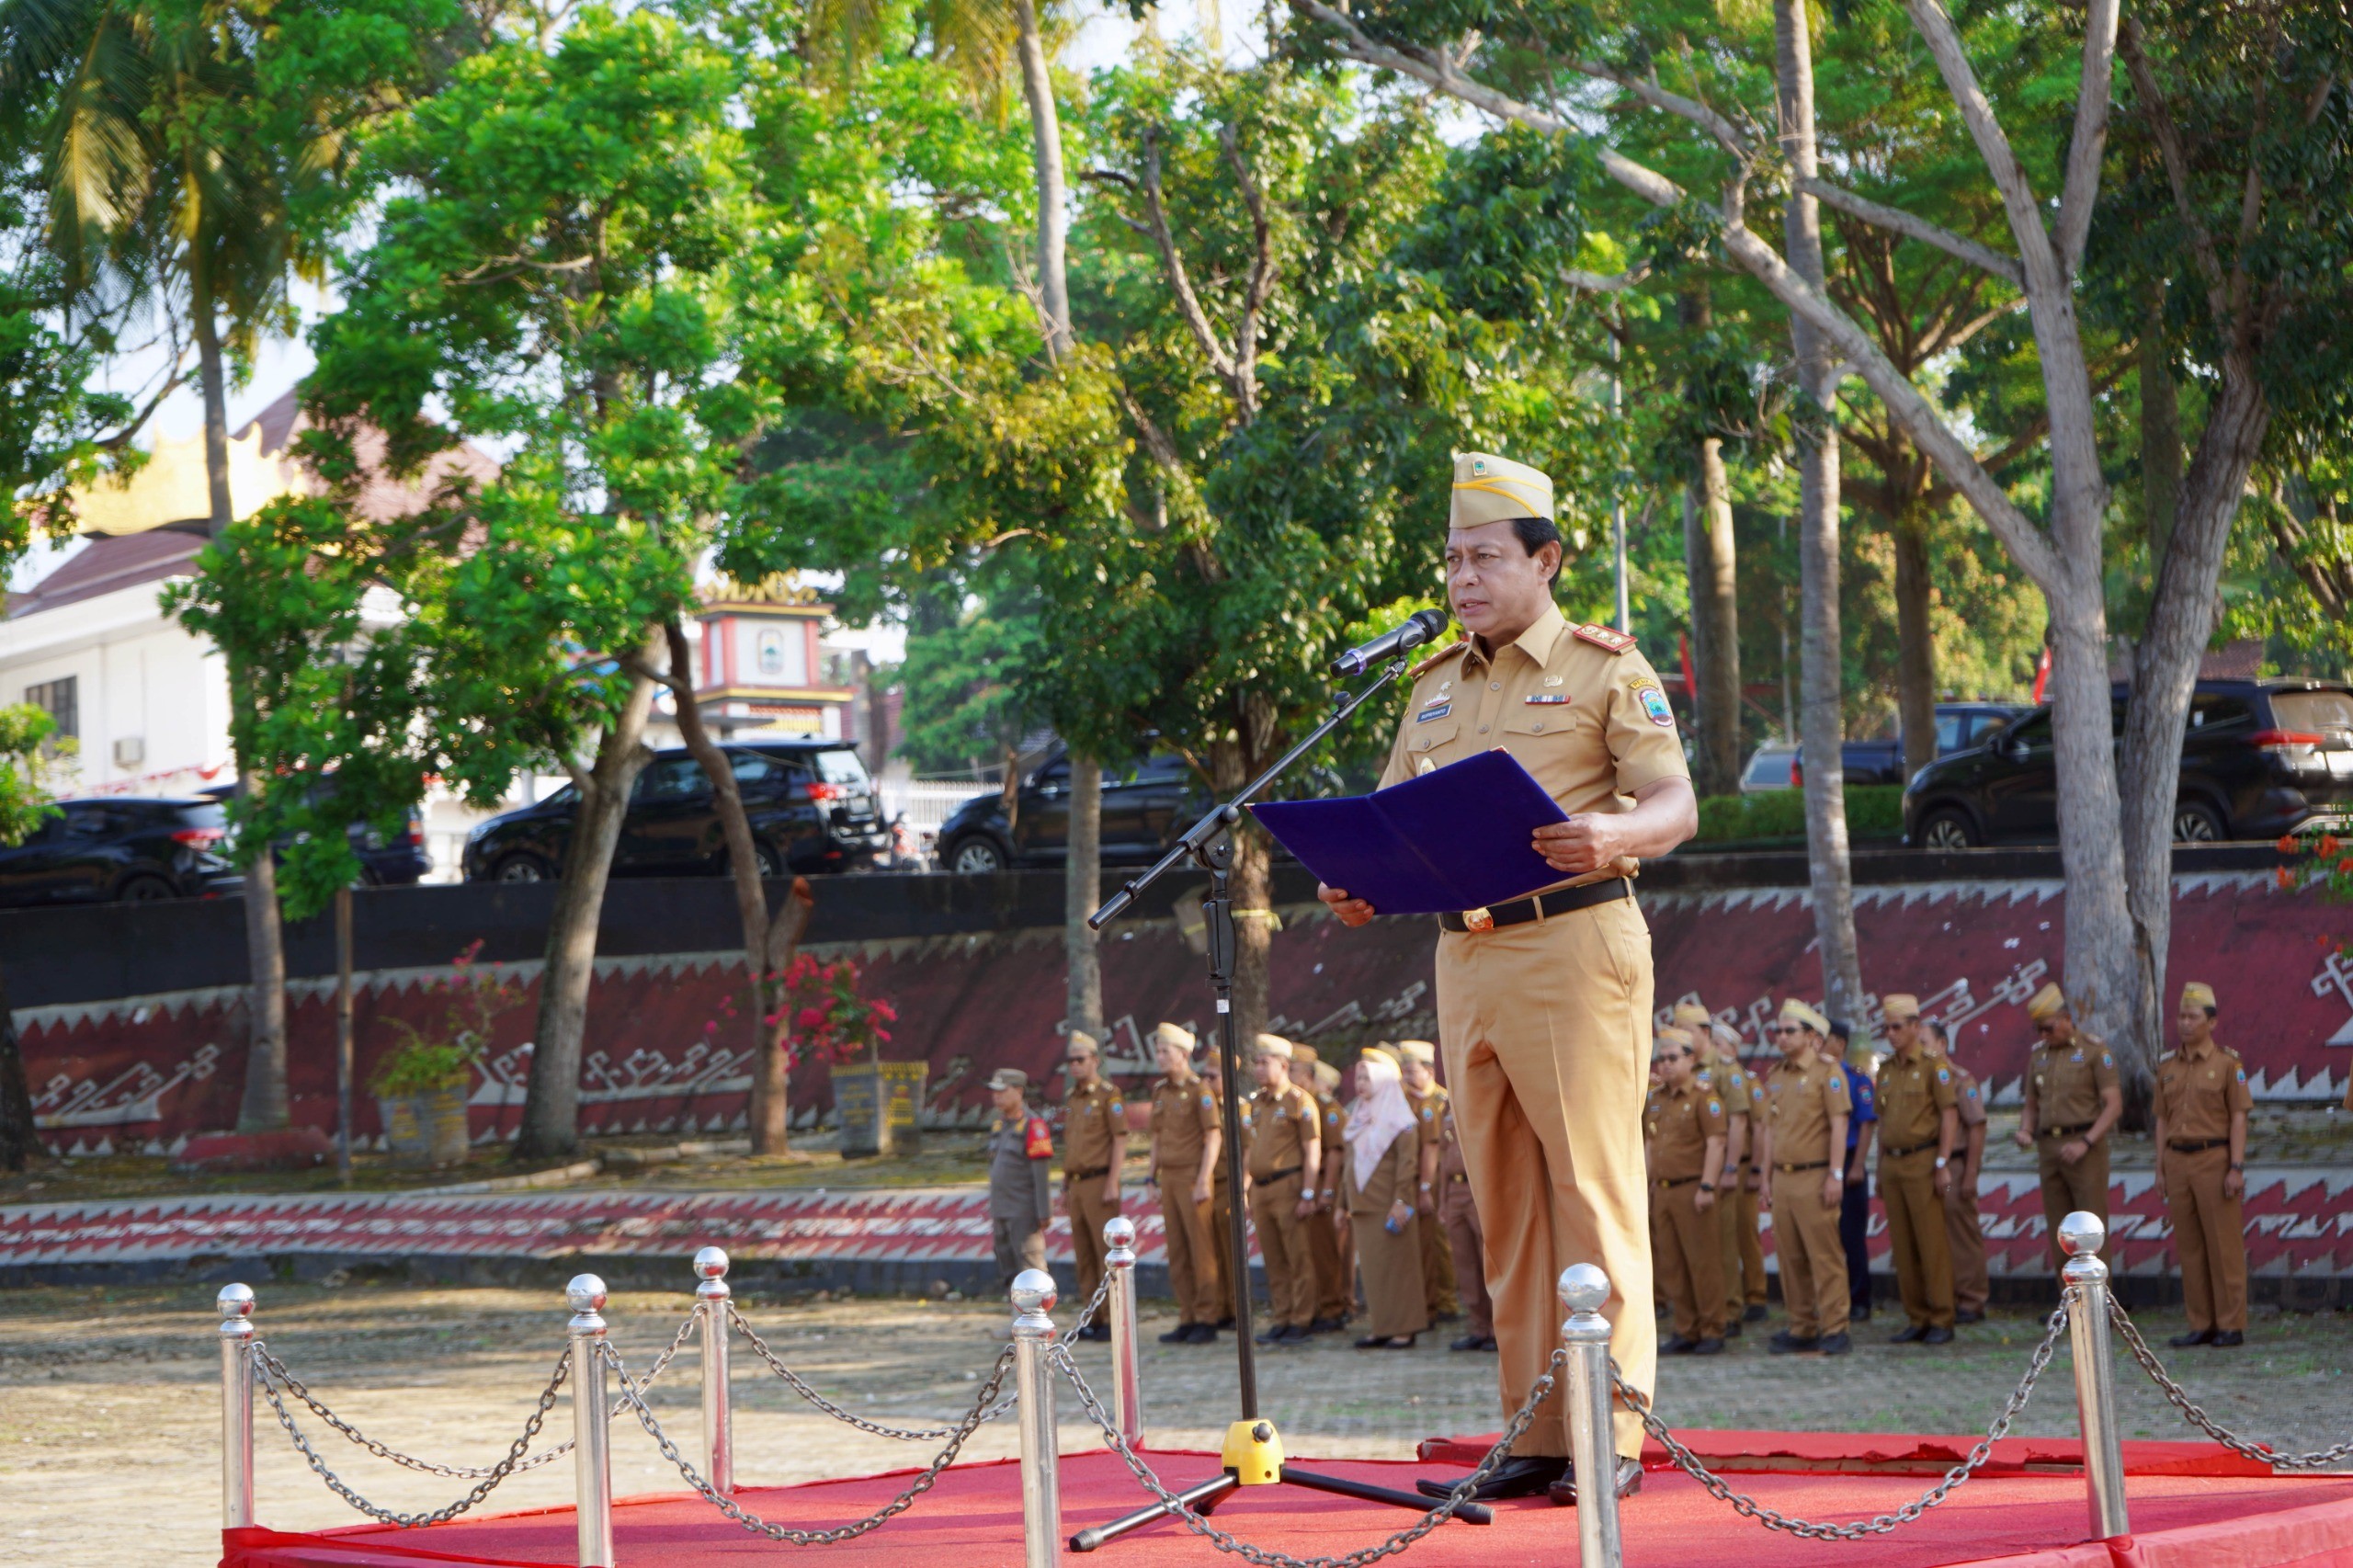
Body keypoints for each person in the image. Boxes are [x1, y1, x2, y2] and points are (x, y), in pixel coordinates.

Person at [1321, 451, 1698, 1507]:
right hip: (1465, 953)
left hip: (1574, 944)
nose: (1461, 578)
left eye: (1485, 556)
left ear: (1546, 560)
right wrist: (1360, 879)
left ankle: (1607, 1427)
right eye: (1451, 559)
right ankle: (1535, 1427)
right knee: (1504, 1199)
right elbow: (1391, 815)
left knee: (1591, 1186)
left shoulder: (1603, 668)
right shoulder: (1432, 685)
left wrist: (1615, 831)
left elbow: (1675, 802)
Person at [2154, 982, 2252, 1348]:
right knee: (2190, 1247)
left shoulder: (2228, 1064)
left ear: (2212, 1022)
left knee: (2223, 1246)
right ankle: (2201, 1322)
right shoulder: (2167, 1066)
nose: (2184, 1023)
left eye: (2193, 1017)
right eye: (2181, 1016)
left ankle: (2230, 1324)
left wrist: (2236, 1166)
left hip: (2215, 1159)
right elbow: (2161, 1120)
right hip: (2177, 1160)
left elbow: (2239, 1118)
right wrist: (2160, 1167)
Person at [1756, 1000, 1853, 1356]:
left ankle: (1835, 1327)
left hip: (1815, 1176)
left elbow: (1839, 1126)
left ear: (1812, 1037)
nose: (1781, 1037)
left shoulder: (1828, 1073)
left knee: (1824, 1256)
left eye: (1789, 1031)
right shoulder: (1776, 1076)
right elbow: (1770, 1131)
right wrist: (1765, 1178)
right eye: (1778, 1031)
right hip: (1783, 1178)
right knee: (1790, 1256)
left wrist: (1835, 1174)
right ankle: (1801, 1326)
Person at [2016, 983, 2121, 1271]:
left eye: (2048, 1028)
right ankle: (2067, 1303)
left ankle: (2099, 1304)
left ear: (2066, 1020)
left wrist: (2086, 1142)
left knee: (2089, 1228)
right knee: (2060, 1228)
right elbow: (2031, 1105)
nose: (2044, 1035)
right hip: (2049, 1148)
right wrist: (2026, 1130)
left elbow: (2113, 1105)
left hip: (2085, 1146)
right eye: (2039, 1030)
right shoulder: (2039, 1056)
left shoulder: (2094, 1051)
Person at [1873, 995, 1958, 1344]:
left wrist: (1942, 1162)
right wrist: (1879, 1168)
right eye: (1887, 1028)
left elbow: (1949, 1115)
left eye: (1897, 1027)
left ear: (1915, 1027)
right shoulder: (1888, 1070)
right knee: (1903, 1245)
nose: (1891, 1034)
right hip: (1892, 1162)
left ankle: (1941, 1317)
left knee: (1930, 1242)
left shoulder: (1933, 1066)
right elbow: (1883, 1122)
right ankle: (1917, 1316)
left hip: (1923, 1161)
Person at [1677, 1000, 1762, 1333]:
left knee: (1726, 1243)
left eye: (1687, 1031)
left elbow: (1739, 1123)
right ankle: (1703, 1311)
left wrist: (1729, 1170)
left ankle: (1730, 1310)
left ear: (1705, 1033)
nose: (1681, 1037)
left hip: (1725, 1170)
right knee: (1702, 1247)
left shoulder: (1726, 1070)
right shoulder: (1689, 1070)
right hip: (1695, 1173)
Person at [1643, 1026, 1728, 1355]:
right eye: (1661, 1058)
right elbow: (1651, 1144)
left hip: (1693, 1189)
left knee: (1702, 1262)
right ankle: (1685, 1328)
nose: (1665, 1064)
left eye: (1673, 1058)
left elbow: (1717, 1143)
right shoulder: (1656, 1099)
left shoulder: (1704, 1096)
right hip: (1662, 1191)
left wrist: (1707, 1185)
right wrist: (1647, 1184)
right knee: (1671, 1264)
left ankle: (1712, 1329)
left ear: (1691, 1059)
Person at [1343, 1051, 1427, 1349]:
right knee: (1374, 1272)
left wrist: (1402, 1201)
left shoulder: (1400, 1120)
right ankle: (1381, 1326)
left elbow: (1407, 1165)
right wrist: (1342, 1204)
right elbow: (1349, 1163)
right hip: (1363, 1207)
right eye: (1359, 1077)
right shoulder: (1360, 1115)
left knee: (1398, 1269)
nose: (1361, 1083)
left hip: (1389, 1206)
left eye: (1367, 1077)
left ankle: (1404, 1328)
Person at [1245, 1034, 1324, 1346]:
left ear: (1284, 1065)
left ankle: (1302, 1319)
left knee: (1297, 1256)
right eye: (1257, 1062)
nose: (1259, 1069)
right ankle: (1282, 1316)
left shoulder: (1299, 1101)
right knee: (1274, 1257)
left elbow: (1312, 1150)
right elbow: (1252, 1148)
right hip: (1262, 1189)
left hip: (1288, 1185)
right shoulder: (1257, 1103)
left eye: (1265, 1063)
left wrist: (1308, 1192)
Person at [1147, 1023, 1222, 1344]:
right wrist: (1151, 1176)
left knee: (1201, 1249)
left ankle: (1207, 1317)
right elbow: (1156, 1137)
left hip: (1193, 1175)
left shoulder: (1199, 1090)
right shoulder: (1160, 1091)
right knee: (1177, 1251)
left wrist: (1204, 1179)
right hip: (1170, 1176)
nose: (1160, 1057)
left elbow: (1213, 1136)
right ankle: (1187, 1315)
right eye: (1159, 1051)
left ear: (1183, 1054)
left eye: (1166, 1051)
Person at [1060, 1030, 1128, 1340]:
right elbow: (1071, 1147)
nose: (1075, 1065)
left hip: (1100, 1181)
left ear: (1095, 1061)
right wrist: (1064, 1184)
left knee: (1105, 1252)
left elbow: (1119, 1139)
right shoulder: (1073, 1099)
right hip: (1076, 1183)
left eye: (1080, 1059)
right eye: (1070, 1061)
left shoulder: (1108, 1096)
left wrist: (1113, 1181)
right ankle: (1092, 1317)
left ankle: (1112, 1318)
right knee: (1084, 1253)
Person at [1924, 1018, 1991, 1324]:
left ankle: (1971, 1300)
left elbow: (1977, 1127)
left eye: (1924, 1043)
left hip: (1955, 1163)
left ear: (1942, 1045)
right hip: (1926, 1165)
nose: (1920, 1050)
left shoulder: (1961, 1080)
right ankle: (1944, 1297)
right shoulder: (1920, 1079)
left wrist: (1971, 1174)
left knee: (1962, 1236)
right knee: (1935, 1237)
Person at [1397, 1040, 1461, 1323]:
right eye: (1403, 1071)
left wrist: (1426, 1188)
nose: (1406, 1077)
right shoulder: (1404, 1100)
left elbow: (1434, 1149)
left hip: (1436, 1181)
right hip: (1409, 1182)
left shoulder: (1440, 1102)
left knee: (1440, 1244)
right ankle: (1427, 1301)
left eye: (1411, 1071)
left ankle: (1446, 1301)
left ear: (1429, 1072)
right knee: (1420, 1243)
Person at [1296, 1051, 1353, 1332]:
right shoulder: (1305, 1104)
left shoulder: (1326, 1108)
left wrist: (1328, 1191)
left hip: (1324, 1184)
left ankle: (1333, 1307)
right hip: (1310, 1183)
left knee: (1328, 1250)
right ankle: (1321, 1303)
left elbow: (1335, 1154)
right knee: (1312, 1250)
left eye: (1295, 1072)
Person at [985, 1068, 1053, 1296]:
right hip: (1001, 1209)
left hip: (1023, 1211)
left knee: (1031, 1268)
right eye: (994, 1092)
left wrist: (1044, 1212)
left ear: (1018, 1091)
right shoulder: (999, 1125)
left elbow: (1041, 1173)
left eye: (1002, 1091)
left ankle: (1039, 1324)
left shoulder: (1033, 1125)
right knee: (1008, 1266)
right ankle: (1018, 1322)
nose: (996, 1096)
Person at [1828, 1019, 1879, 1324]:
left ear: (1839, 1044)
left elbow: (1866, 1124)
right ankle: (1834, 1300)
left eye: (1824, 1039)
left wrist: (1858, 1164)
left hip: (1849, 1163)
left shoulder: (1855, 1080)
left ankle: (1860, 1300)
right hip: (1822, 1163)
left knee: (1851, 1235)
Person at [1437, 1099, 1495, 1351]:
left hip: (1479, 1189)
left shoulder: (1481, 1098)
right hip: (1455, 1190)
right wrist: (1442, 1201)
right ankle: (1478, 1327)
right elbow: (1442, 1159)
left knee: (1489, 1261)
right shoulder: (1447, 1108)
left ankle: (1498, 1328)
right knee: (1465, 1263)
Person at [1201, 1046, 1239, 1329]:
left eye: (1213, 1077)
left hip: (1230, 1184)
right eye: (1205, 1076)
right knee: (1212, 1251)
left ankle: (1238, 1310)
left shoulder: (1240, 1109)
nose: (1207, 1083)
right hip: (1209, 1184)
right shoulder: (1204, 1107)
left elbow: (1248, 1152)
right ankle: (1222, 1307)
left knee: (1231, 1251)